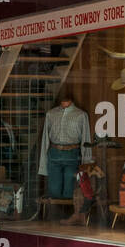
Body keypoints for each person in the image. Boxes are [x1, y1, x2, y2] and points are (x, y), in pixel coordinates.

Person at [38, 86, 92, 218]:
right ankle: (55, 218)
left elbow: (86, 139)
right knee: (54, 190)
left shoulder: (80, 115)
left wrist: (86, 164)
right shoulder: (51, 114)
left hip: (72, 154)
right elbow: (45, 138)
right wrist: (43, 164)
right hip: (54, 154)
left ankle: (70, 216)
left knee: (70, 189)